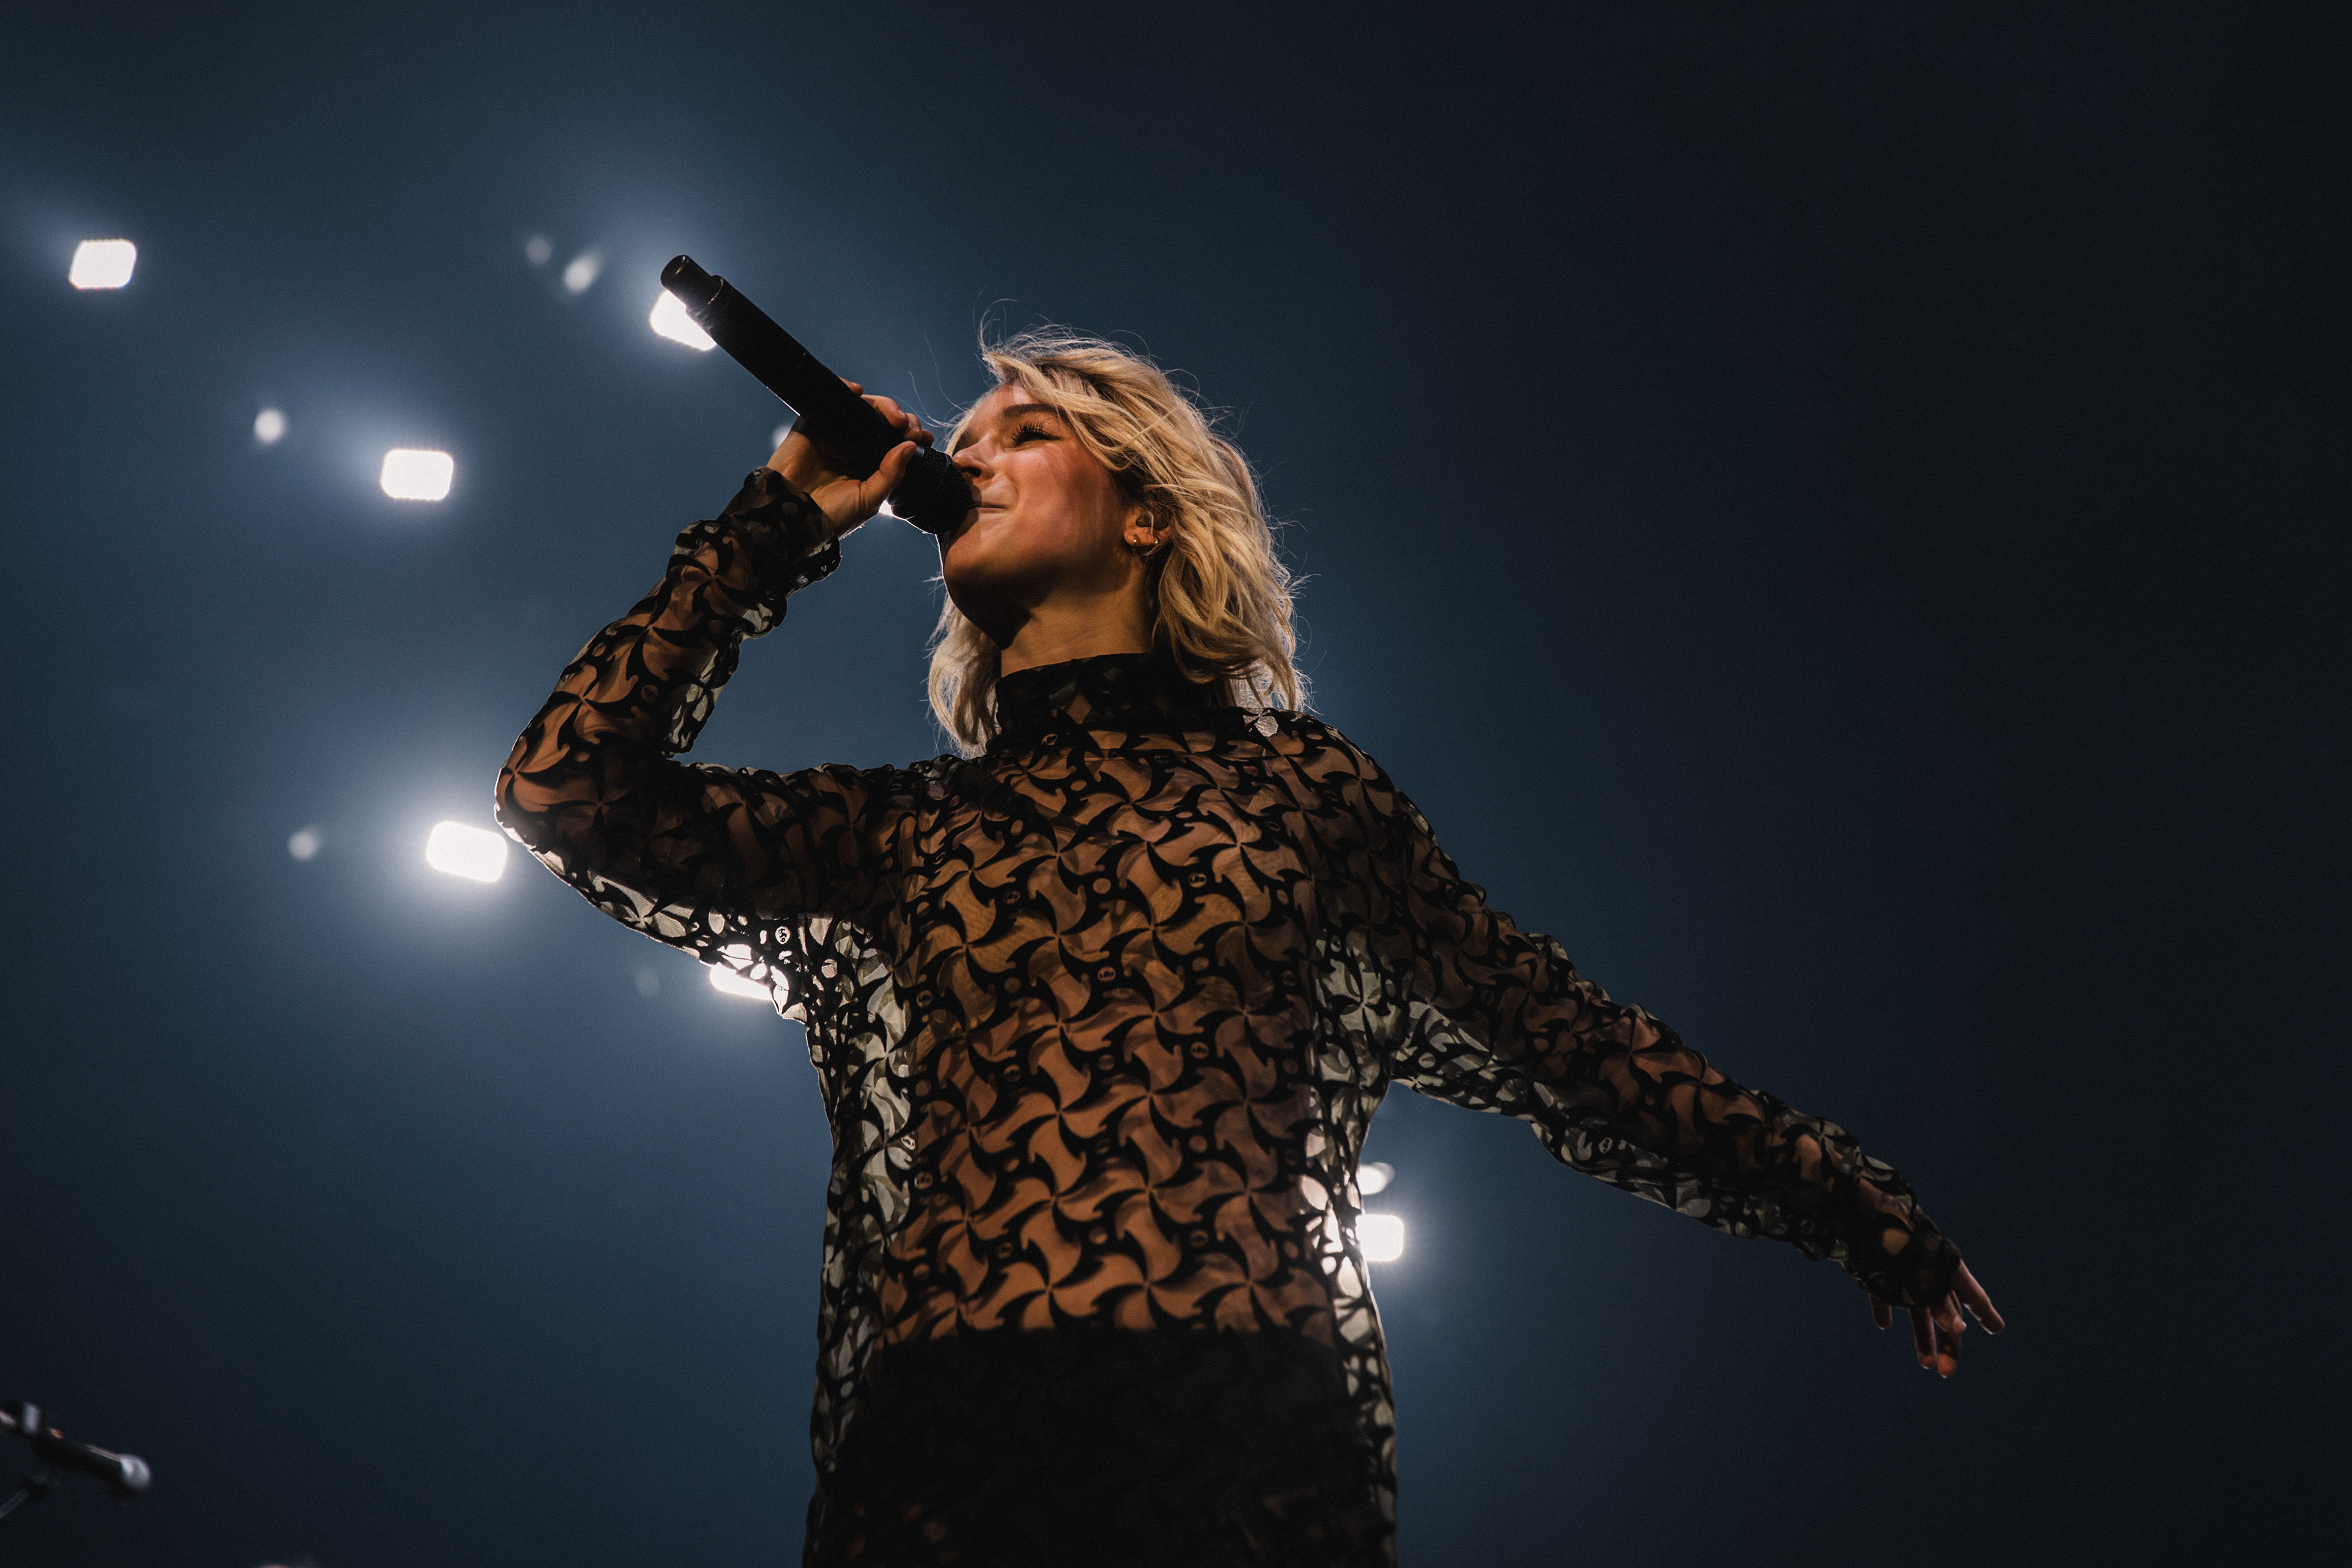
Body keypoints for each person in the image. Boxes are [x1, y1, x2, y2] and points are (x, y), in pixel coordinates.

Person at [495, 330, 2001, 1567]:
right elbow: (567, 791)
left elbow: (1564, 1034)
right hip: (949, 1433)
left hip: (1239, 1427)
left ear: (1147, 513)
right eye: (965, 439)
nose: (971, 458)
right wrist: (770, 527)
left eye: (1025, 431)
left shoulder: (1303, 791)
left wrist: (1851, 1203)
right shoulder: (902, 828)